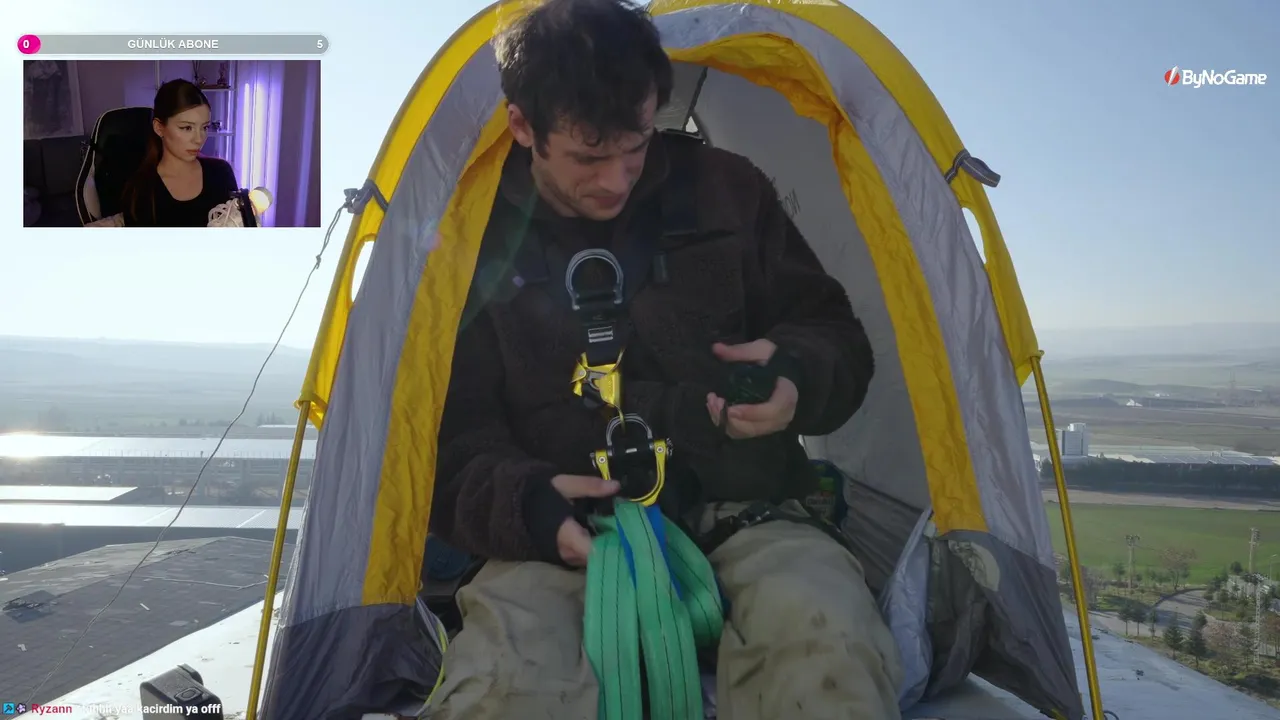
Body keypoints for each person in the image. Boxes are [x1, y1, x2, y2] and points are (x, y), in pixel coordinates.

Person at [426, 0, 904, 718]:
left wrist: (794, 375)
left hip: (750, 511)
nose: (616, 180)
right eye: (589, 157)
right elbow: (444, 439)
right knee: (503, 694)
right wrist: (528, 506)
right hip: (559, 534)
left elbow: (833, 334)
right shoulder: (469, 232)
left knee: (829, 656)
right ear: (523, 126)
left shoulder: (729, 191)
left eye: (637, 146)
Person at [120, 79, 239, 227]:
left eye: (204, 127)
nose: (199, 139)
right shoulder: (140, 190)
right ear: (159, 128)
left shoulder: (221, 173)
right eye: (187, 128)